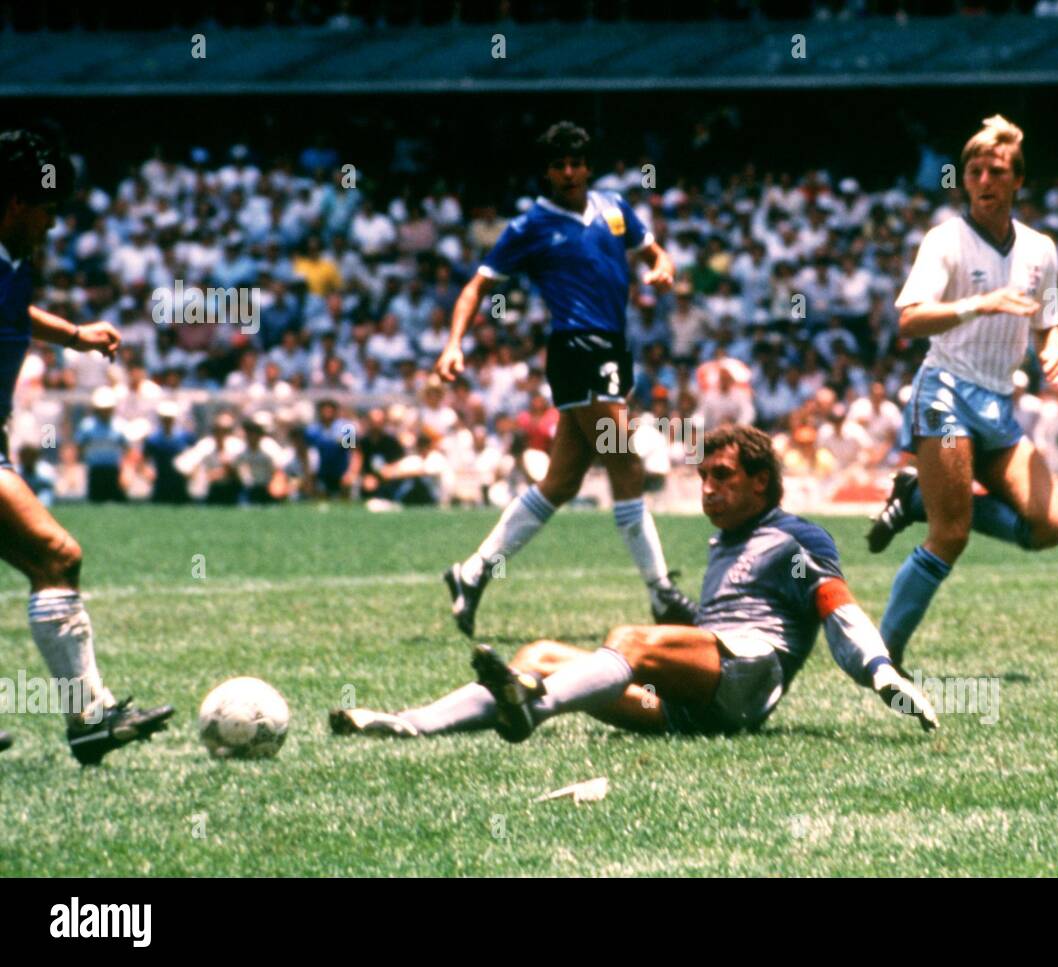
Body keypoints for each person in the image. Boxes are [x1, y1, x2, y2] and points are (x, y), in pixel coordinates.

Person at [329, 425, 937, 741]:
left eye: (722, 476)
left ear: (760, 483)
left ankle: (530, 716)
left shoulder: (793, 537)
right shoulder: (724, 543)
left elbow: (836, 606)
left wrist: (881, 672)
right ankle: (408, 723)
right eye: (702, 477)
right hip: (695, 701)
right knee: (536, 656)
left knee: (631, 641)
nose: (707, 488)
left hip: (751, 680)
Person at [436, 121, 694, 636]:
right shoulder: (530, 226)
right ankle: (661, 593)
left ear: (588, 166)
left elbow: (653, 251)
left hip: (613, 350)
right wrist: (453, 343)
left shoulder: (616, 209)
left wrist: (662, 267)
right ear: (548, 172)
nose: (569, 172)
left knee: (561, 481)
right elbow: (475, 288)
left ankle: (471, 572)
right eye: (559, 165)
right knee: (626, 459)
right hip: (577, 348)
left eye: (576, 162)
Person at [865, 116, 1058, 672]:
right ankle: (883, 655)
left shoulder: (1039, 249)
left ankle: (912, 498)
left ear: (1016, 181)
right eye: (974, 170)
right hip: (946, 391)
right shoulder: (945, 240)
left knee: (1048, 527)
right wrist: (979, 303)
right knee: (950, 534)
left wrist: (1054, 348)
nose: (983, 179)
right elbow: (909, 320)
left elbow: (1050, 317)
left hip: (997, 402)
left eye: (996, 171)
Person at [0, 128, 172, 761]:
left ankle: (91, 717)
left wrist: (72, 335)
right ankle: (90, 717)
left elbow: (11, 313)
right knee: (55, 553)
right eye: (47, 209)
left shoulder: (15, 259)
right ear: (17, 203)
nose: (52, 224)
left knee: (52, 562)